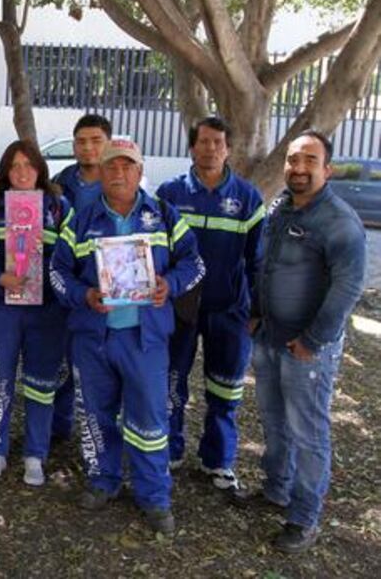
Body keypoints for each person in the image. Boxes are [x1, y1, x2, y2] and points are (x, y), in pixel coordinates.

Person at [50, 138, 204, 534]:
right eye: (111, 167)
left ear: (139, 171)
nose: (119, 173)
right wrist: (83, 294)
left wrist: (170, 284)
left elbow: (195, 263)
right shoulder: (80, 220)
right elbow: (57, 272)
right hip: (93, 337)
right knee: (97, 415)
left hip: (145, 339)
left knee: (151, 417)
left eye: (127, 166)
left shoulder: (165, 216)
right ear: (100, 172)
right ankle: (103, 482)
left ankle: (154, 496)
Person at [248, 130, 366, 553]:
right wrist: (257, 314)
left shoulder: (338, 221)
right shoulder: (281, 209)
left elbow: (348, 288)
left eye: (309, 161)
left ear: (326, 169)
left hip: (306, 349)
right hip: (269, 338)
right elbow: (267, 268)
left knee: (308, 432)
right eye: (293, 159)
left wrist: (313, 341)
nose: (298, 168)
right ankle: (275, 489)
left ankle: (303, 518)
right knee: (274, 423)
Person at [156, 117, 265, 492]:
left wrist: (256, 311)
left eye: (218, 142)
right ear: (192, 147)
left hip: (229, 309)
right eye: (204, 141)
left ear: (229, 148)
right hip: (179, 308)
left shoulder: (248, 198)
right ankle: (169, 451)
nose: (211, 148)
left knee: (225, 388)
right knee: (172, 381)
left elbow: (258, 261)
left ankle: (218, 461)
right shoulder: (169, 194)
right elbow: (157, 253)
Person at [0, 140, 72, 485]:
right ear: (5, 170)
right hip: (2, 307)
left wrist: (50, 280)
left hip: (46, 311)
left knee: (40, 385)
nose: (21, 172)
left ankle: (35, 454)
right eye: (14, 166)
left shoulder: (60, 206)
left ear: (40, 169)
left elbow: (72, 257)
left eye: (28, 165)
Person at [48, 113, 113, 444]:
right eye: (81, 141)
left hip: (106, 290)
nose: (87, 148)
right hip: (65, 283)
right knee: (60, 358)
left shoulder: (118, 181)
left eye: (95, 141)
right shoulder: (60, 181)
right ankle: (59, 428)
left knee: (99, 366)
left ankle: (102, 434)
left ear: (108, 144)